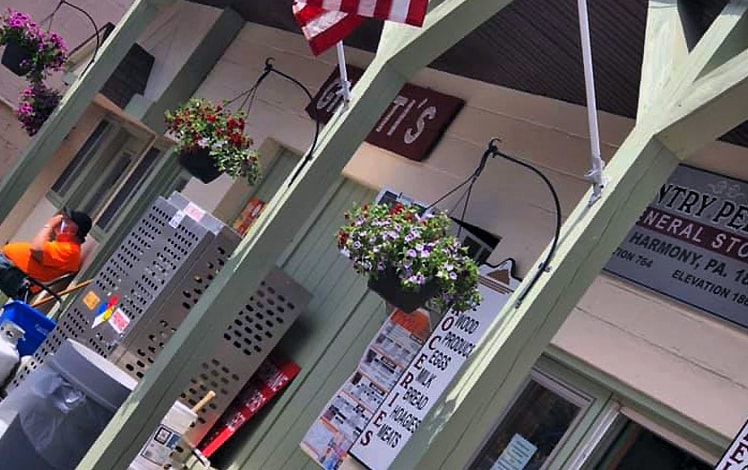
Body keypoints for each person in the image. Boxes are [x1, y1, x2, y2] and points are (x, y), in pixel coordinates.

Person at [0, 209, 91, 298]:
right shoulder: (65, 245)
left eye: (67, 221)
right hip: (9, 267)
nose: (62, 222)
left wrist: (50, 225)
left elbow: (36, 249)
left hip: (15, 274)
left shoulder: (70, 251)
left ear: (74, 230)